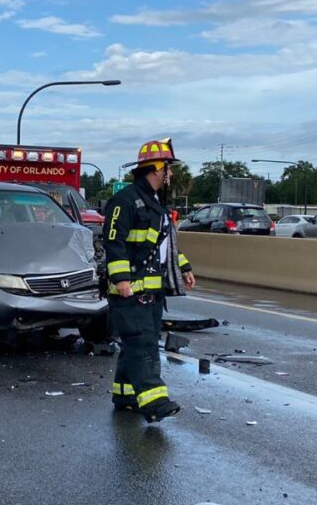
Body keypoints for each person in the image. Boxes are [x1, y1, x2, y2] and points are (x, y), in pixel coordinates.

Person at [104, 138, 196, 423]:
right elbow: (113, 241)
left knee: (136, 342)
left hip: (152, 290)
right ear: (157, 169)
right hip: (131, 289)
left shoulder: (157, 203)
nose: (172, 174)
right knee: (142, 344)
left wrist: (183, 267)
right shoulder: (126, 200)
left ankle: (125, 394)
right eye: (169, 168)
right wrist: (121, 279)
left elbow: (165, 246)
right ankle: (155, 403)